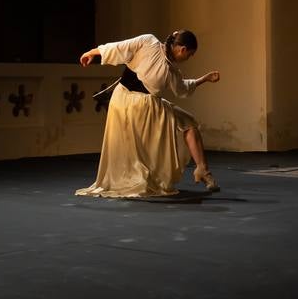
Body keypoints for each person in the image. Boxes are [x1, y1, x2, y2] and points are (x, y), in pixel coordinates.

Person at [75, 30, 221, 198]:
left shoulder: (162, 58)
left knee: (188, 123)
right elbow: (120, 48)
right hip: (142, 108)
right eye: (190, 54)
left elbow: (119, 48)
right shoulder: (152, 47)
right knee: (188, 123)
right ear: (182, 49)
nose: (189, 58)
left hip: (122, 101)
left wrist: (203, 79)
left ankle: (202, 169)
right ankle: (202, 170)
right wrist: (92, 52)